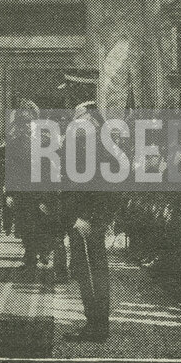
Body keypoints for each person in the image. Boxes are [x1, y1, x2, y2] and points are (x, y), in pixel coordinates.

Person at [63, 102, 112, 342]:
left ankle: (96, 326)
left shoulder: (89, 144)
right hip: (88, 217)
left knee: (89, 272)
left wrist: (83, 217)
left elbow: (91, 187)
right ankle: (96, 324)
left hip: (86, 220)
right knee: (91, 270)